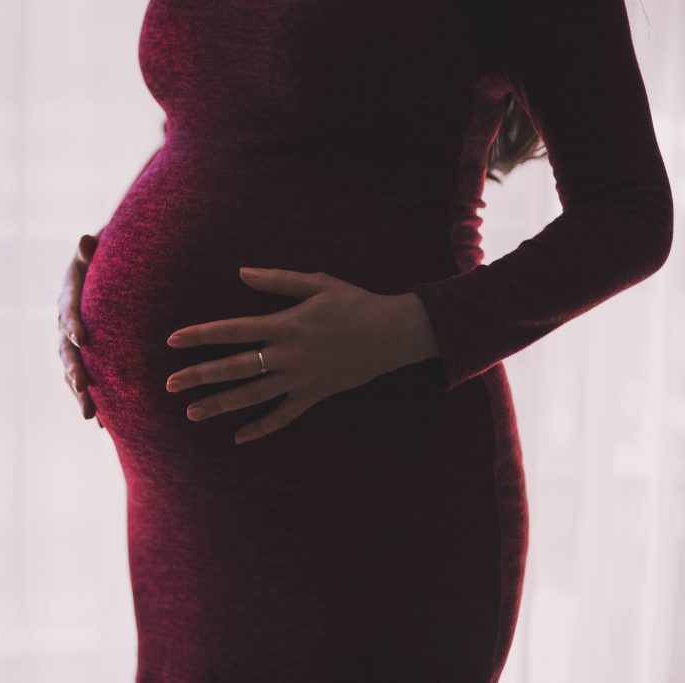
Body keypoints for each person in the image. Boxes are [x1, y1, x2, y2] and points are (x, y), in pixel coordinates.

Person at [56, 0, 673, 680]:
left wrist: (405, 326)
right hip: (184, 513)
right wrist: (103, 268)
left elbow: (631, 213)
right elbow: (223, 124)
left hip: (364, 483)